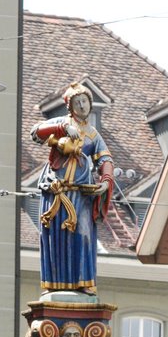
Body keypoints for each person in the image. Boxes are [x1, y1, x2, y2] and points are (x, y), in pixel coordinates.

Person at [31, 82, 114, 295]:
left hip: (80, 192)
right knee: (53, 235)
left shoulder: (93, 134)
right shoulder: (62, 123)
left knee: (83, 233)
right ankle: (52, 284)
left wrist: (105, 180)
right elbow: (36, 132)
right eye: (77, 102)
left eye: (85, 101)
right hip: (56, 190)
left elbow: (105, 158)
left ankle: (84, 282)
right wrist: (62, 128)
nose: (82, 106)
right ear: (70, 106)